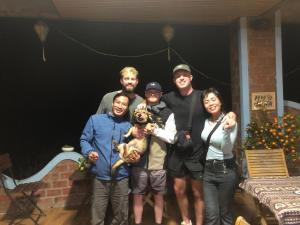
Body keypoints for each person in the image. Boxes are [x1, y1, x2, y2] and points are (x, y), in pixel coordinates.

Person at [161, 64, 236, 225]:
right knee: (178, 190)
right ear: (174, 80)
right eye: (177, 76)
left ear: (190, 77)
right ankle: (186, 221)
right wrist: (143, 104)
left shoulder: (202, 96)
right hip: (177, 151)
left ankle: (200, 223)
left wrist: (232, 115)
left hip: (198, 153)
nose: (181, 78)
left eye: (184, 75)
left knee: (197, 193)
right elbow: (153, 103)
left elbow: (220, 109)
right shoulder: (168, 98)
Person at [80, 93, 139, 225]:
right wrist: (89, 152)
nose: (120, 106)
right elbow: (84, 139)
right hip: (100, 177)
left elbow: (136, 147)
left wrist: (136, 155)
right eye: (118, 102)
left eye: (124, 104)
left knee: (122, 216)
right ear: (112, 104)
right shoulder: (95, 120)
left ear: (127, 108)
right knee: (97, 215)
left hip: (121, 177)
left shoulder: (128, 127)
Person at [131, 82, 177, 225]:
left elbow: (172, 138)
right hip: (138, 161)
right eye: (149, 91)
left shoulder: (168, 113)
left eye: (156, 92)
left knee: (158, 195)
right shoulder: (137, 110)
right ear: (145, 94)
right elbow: (129, 130)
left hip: (158, 161)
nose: (152, 93)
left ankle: (158, 222)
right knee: (137, 194)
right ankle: (137, 222)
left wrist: (155, 131)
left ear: (161, 94)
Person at [201, 87, 238, 225]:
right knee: (211, 215)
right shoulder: (206, 122)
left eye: (213, 99)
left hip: (225, 170)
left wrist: (227, 131)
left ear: (220, 101)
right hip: (208, 171)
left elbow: (227, 149)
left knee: (225, 213)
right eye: (206, 101)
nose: (210, 103)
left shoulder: (230, 122)